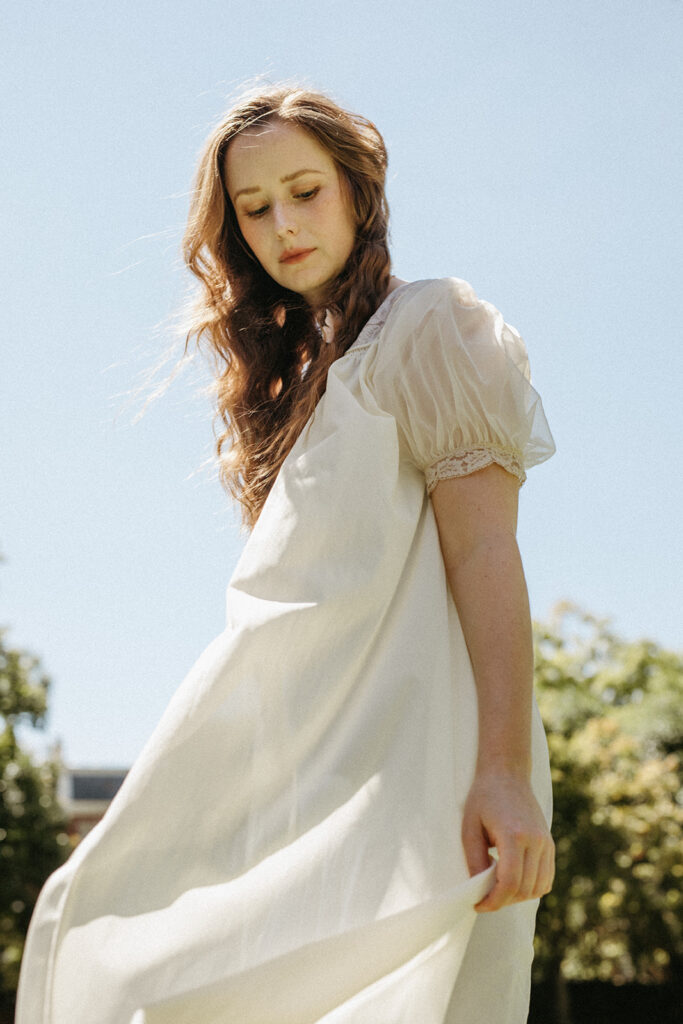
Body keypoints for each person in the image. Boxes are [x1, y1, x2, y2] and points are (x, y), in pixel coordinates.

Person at [16, 84, 557, 1024]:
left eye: (305, 190)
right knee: (95, 931)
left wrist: (502, 771)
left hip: (414, 770)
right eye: (254, 208)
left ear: (358, 191)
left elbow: (484, 551)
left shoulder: (430, 327)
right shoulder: (300, 384)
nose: (282, 224)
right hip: (302, 772)